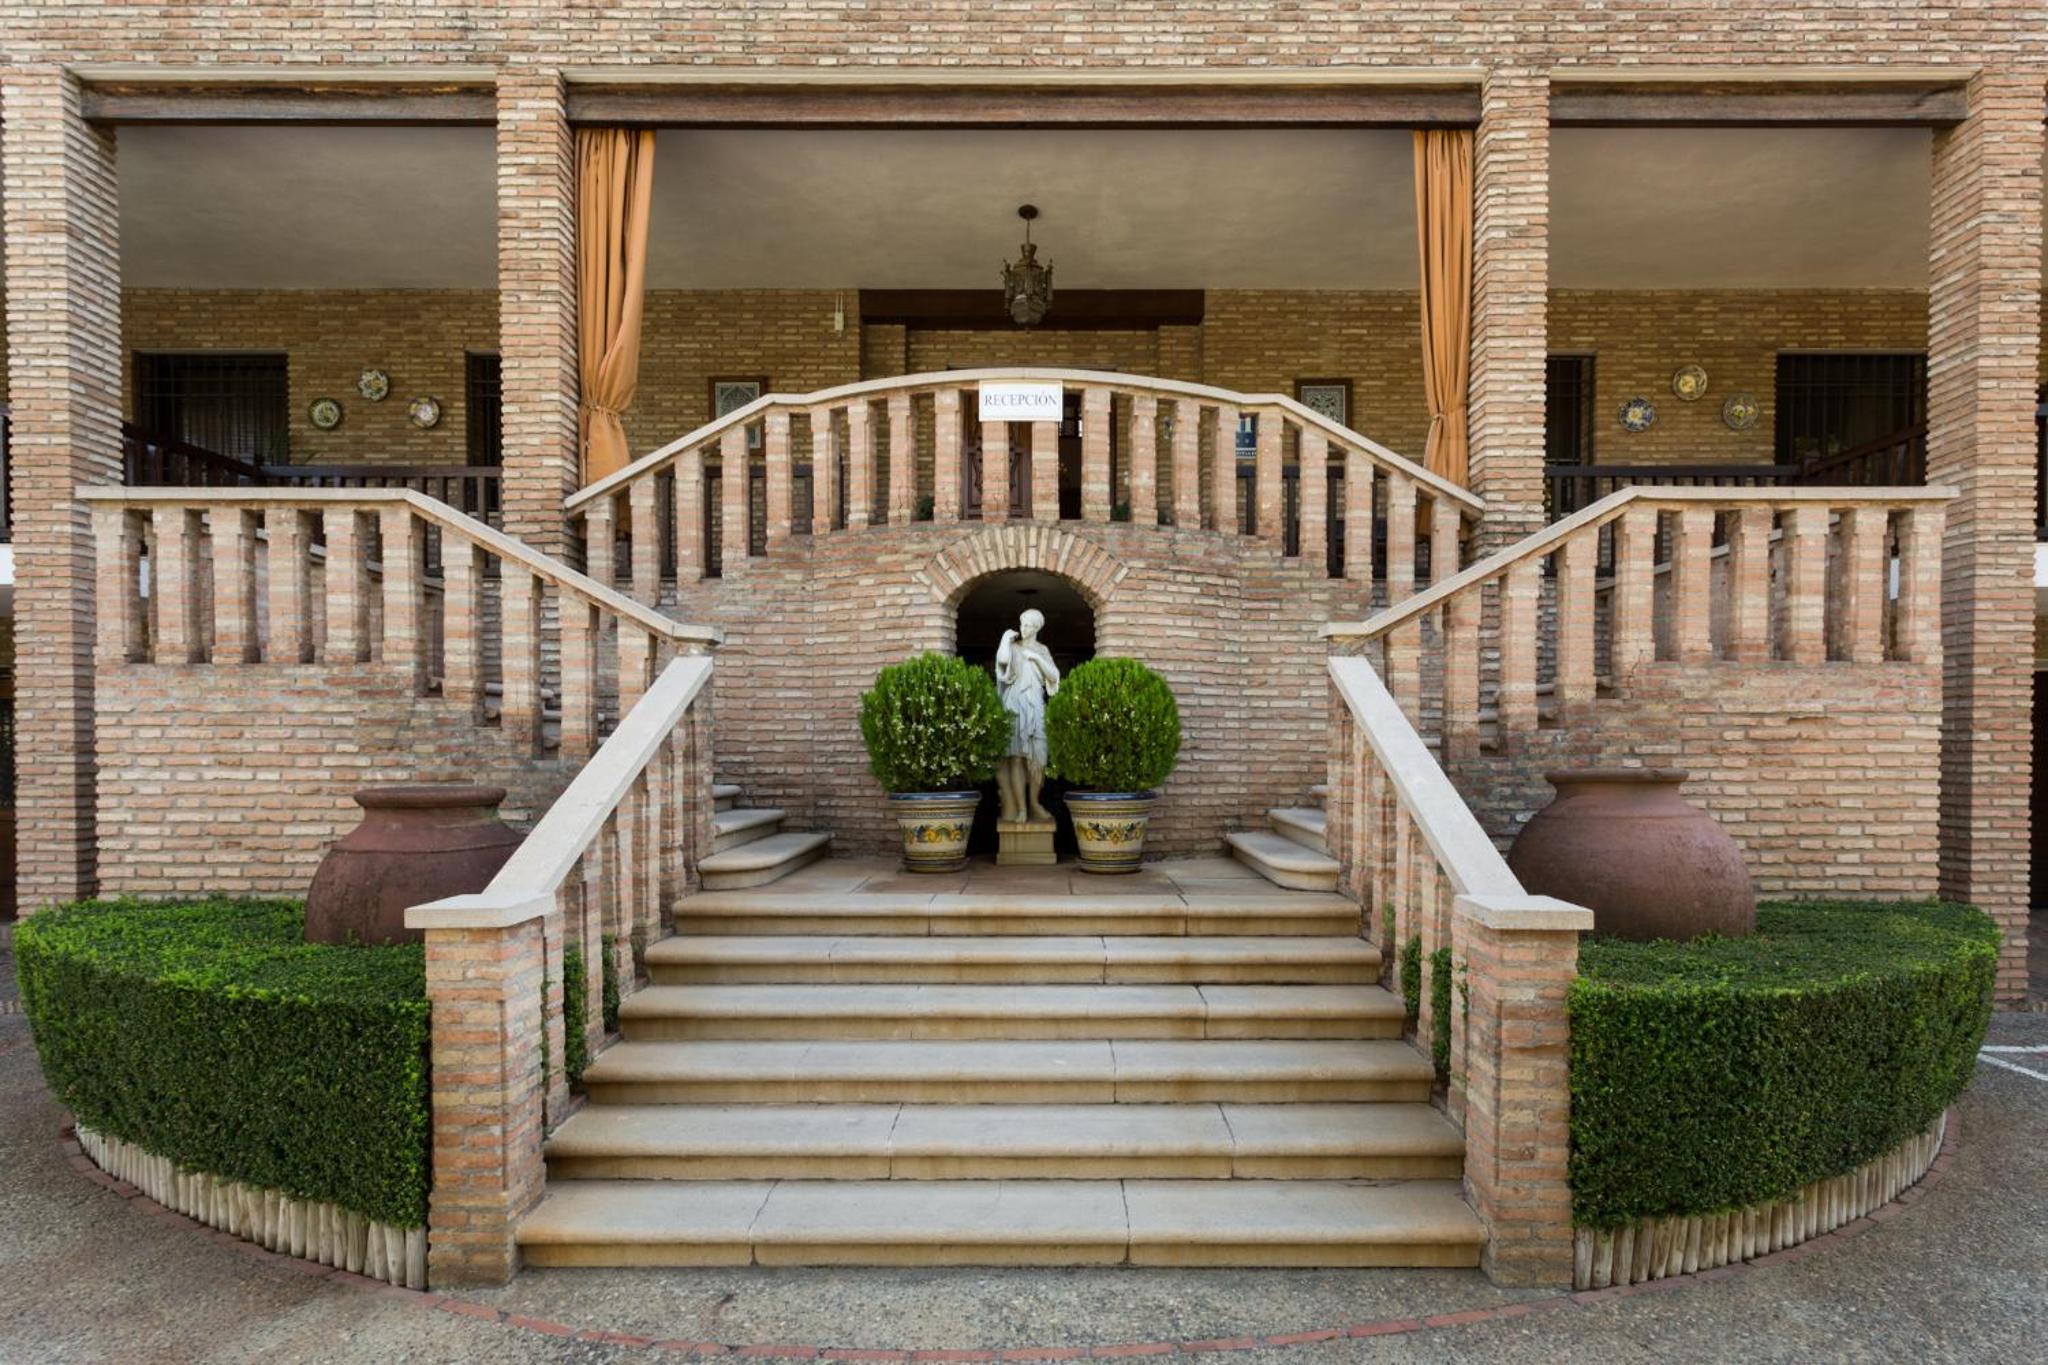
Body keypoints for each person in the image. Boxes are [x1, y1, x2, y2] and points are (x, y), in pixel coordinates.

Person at [994, 609, 1061, 823]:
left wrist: (1036, 658)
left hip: (1035, 705)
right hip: (1014, 704)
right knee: (1016, 757)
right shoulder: (1013, 647)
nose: (1024, 628)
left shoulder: (1042, 649)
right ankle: (1022, 809)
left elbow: (1054, 676)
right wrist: (1005, 639)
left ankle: (1034, 803)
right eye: (1022, 624)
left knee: (1038, 758)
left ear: (1037, 628)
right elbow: (1002, 661)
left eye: (1029, 625)